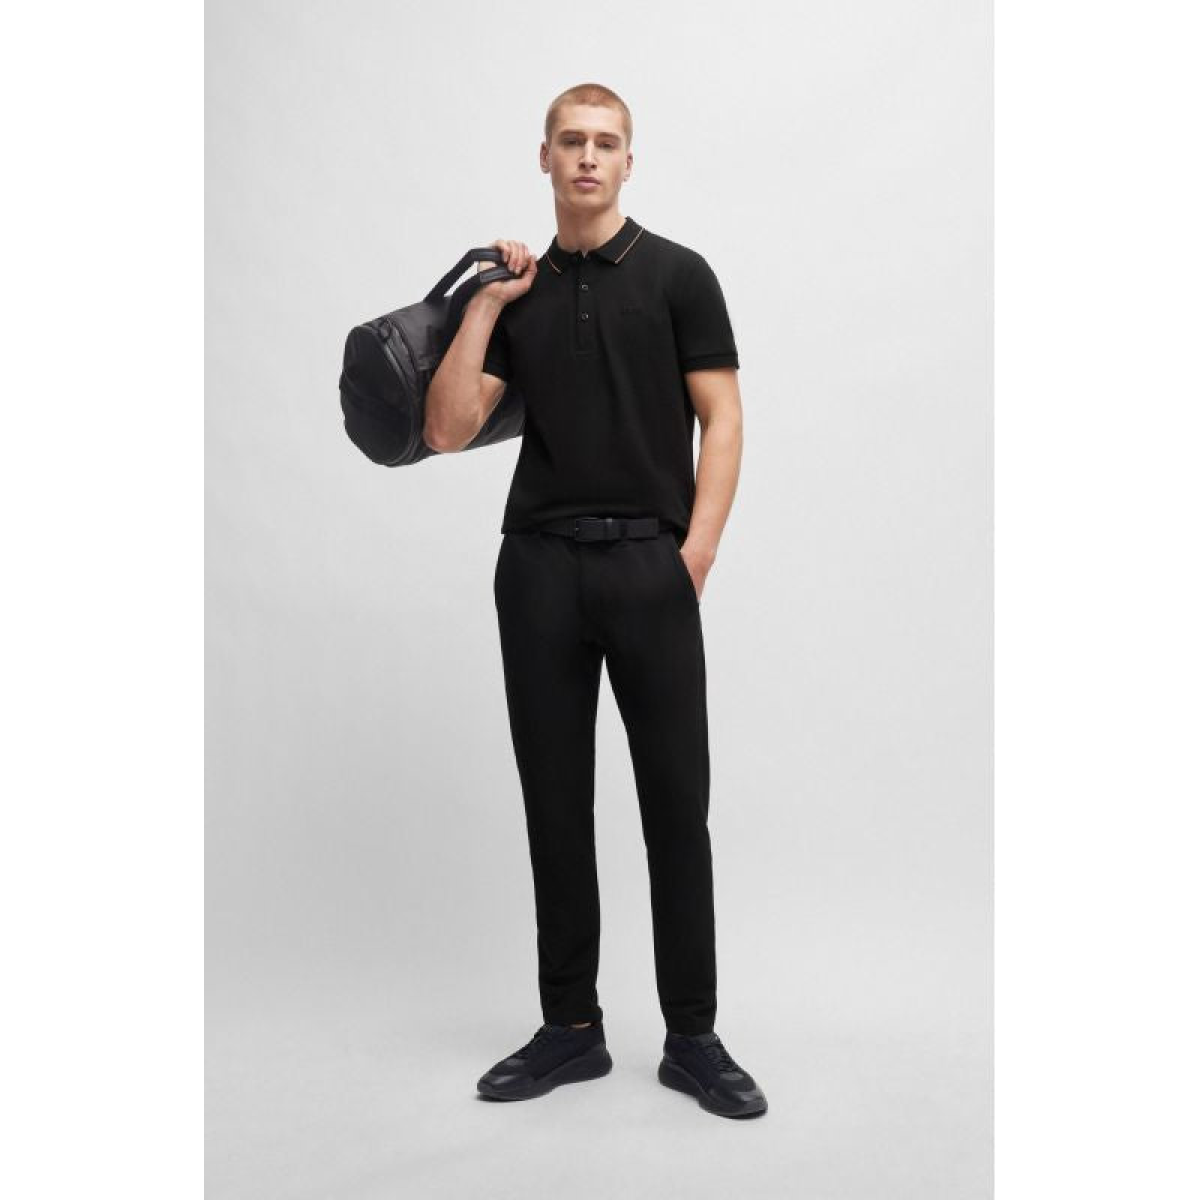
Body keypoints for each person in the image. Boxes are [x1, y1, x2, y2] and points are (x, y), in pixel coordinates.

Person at [424, 82, 766, 1120]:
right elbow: (445, 428)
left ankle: (693, 1037)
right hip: (536, 570)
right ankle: (570, 1029)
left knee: (676, 807)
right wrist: (487, 304)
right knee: (555, 806)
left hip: (649, 568)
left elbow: (724, 418)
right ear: (544, 158)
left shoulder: (679, 275)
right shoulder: (517, 294)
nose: (587, 157)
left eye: (605, 143)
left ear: (628, 161)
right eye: (570, 141)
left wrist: (692, 555)